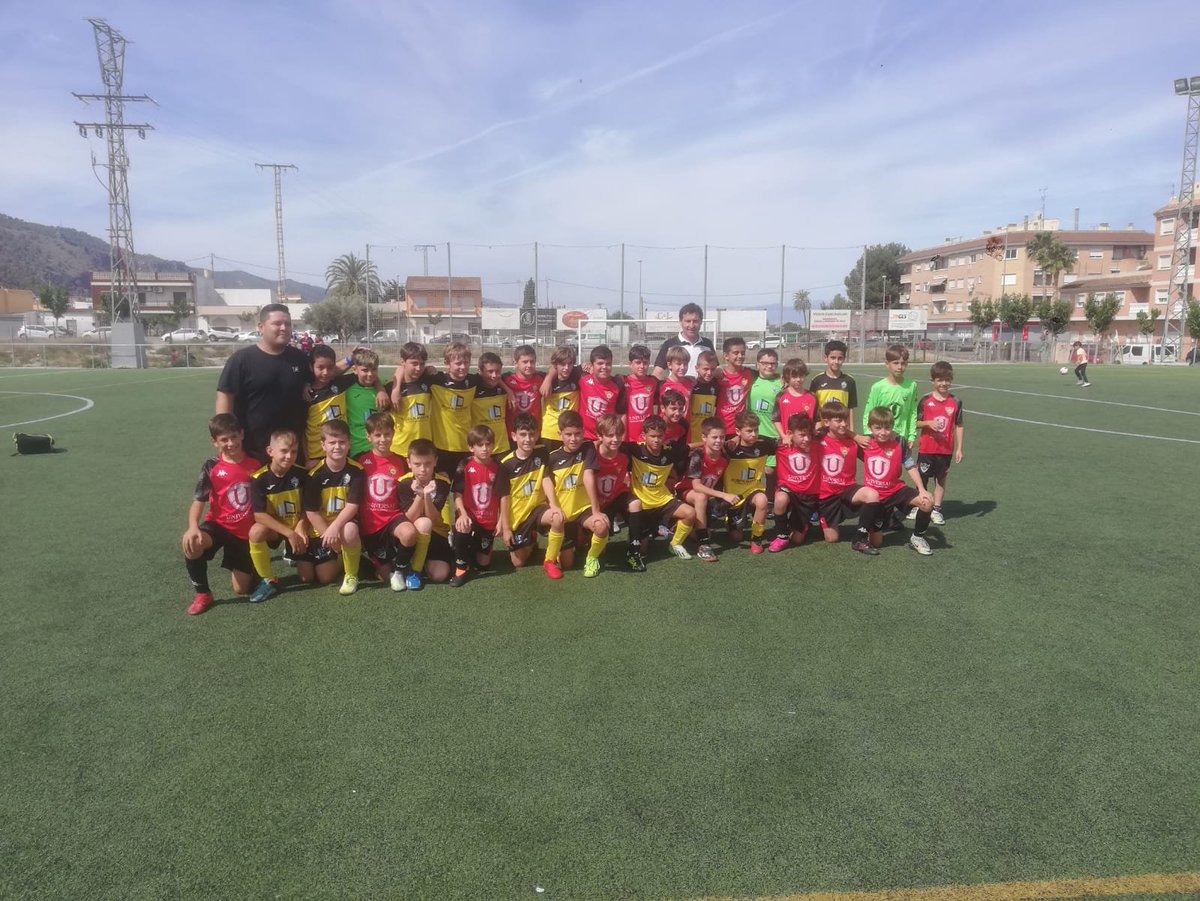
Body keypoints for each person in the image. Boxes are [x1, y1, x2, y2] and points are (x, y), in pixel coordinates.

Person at [181, 414, 261, 615]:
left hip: (245, 532)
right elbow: (198, 501)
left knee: (241, 589)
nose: (231, 443)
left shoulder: (257, 461)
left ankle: (254, 572)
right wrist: (192, 527)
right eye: (224, 439)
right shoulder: (211, 466)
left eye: (234, 437)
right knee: (191, 542)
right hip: (219, 526)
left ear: (242, 435)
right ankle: (203, 594)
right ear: (214, 442)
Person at [216, 303, 311, 462]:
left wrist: (350, 361)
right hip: (253, 453)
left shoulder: (299, 358)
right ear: (261, 327)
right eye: (277, 323)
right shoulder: (242, 359)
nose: (284, 328)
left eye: (288, 324)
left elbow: (322, 376)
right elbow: (225, 396)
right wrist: (225, 437)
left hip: (291, 453)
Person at [853, 407, 934, 556]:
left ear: (892, 427)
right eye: (877, 428)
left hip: (896, 491)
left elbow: (910, 466)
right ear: (870, 427)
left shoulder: (899, 443)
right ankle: (888, 518)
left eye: (887, 428)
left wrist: (921, 489)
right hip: (875, 498)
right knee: (877, 542)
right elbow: (840, 432)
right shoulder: (864, 443)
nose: (883, 432)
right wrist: (855, 436)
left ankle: (917, 538)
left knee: (927, 501)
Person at [357, 412, 422, 592]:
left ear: (393, 433)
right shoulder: (360, 461)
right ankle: (371, 559)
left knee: (409, 533)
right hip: (370, 524)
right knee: (385, 576)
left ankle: (400, 570)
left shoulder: (401, 462)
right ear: (368, 436)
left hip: (393, 518)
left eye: (387, 434)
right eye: (378, 435)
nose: (383, 439)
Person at [542, 411, 610, 578]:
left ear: (583, 432)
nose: (573, 439)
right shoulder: (552, 458)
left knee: (601, 526)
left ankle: (591, 558)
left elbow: (588, 476)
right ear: (560, 434)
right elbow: (546, 482)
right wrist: (554, 506)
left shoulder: (587, 449)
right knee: (568, 564)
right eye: (568, 434)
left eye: (577, 434)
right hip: (564, 514)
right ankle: (550, 559)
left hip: (583, 510)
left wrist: (596, 511)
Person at [247, 428, 311, 602]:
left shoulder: (302, 474)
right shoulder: (259, 478)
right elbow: (259, 515)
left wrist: (301, 526)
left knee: (307, 578)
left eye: (293, 452)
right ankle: (268, 580)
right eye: (284, 451)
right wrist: (289, 533)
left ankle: (292, 553)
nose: (289, 456)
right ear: (270, 451)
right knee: (256, 531)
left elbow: (309, 507)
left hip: (297, 526)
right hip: (276, 529)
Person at [623, 414, 696, 564]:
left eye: (660, 436)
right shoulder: (634, 449)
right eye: (652, 436)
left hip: (663, 501)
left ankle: (675, 544)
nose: (656, 440)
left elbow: (689, 447)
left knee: (690, 513)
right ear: (644, 435)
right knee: (642, 550)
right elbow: (612, 446)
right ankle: (647, 533)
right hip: (641, 504)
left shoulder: (671, 449)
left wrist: (709, 442)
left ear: (665, 435)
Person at [496, 413, 563, 576]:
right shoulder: (506, 465)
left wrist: (554, 506)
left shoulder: (541, 452)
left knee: (557, 517)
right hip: (518, 517)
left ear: (537, 434)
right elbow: (504, 498)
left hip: (538, 509)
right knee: (518, 562)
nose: (528, 439)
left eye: (532, 434)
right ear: (514, 436)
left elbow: (546, 479)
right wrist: (505, 528)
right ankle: (530, 541)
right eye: (523, 435)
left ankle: (550, 561)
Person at [302, 420, 363, 595]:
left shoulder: (357, 471)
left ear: (349, 443)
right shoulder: (314, 475)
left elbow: (352, 506)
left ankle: (352, 574)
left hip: (344, 523)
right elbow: (312, 512)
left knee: (350, 530)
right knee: (320, 577)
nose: (338, 447)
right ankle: (350, 555)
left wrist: (335, 528)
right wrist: (328, 534)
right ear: (323, 445)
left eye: (342, 442)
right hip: (323, 527)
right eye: (332, 442)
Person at [816, 400, 877, 545]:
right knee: (832, 539)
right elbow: (809, 429)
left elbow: (874, 457)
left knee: (871, 495)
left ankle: (861, 536)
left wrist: (855, 436)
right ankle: (819, 517)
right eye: (838, 420)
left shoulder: (855, 442)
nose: (844, 424)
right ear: (826, 422)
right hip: (826, 495)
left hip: (848, 490)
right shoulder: (817, 439)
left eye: (845, 419)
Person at [913, 361, 964, 526]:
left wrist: (959, 448)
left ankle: (936, 509)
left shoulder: (956, 402)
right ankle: (919, 505)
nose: (944, 383)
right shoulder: (925, 400)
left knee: (941, 480)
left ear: (951, 380)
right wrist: (927, 423)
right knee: (922, 479)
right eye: (940, 380)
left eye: (947, 379)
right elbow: (914, 422)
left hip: (945, 450)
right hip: (926, 449)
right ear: (932, 381)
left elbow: (959, 425)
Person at [396, 439, 454, 584]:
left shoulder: (442, 483)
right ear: (408, 463)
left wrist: (427, 496)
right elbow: (409, 518)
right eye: (417, 464)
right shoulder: (403, 483)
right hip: (414, 533)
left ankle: (421, 563)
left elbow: (434, 519)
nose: (423, 469)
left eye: (427, 464)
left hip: (436, 533)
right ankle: (414, 571)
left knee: (440, 575)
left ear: (435, 461)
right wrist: (419, 495)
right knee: (423, 523)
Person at [676, 417, 734, 562]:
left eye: (722, 437)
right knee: (700, 496)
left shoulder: (725, 457)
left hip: (705, 499)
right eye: (714, 437)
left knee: (704, 532)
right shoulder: (698, 455)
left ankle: (677, 525)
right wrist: (724, 495)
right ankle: (704, 546)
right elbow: (696, 486)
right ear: (704, 437)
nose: (719, 441)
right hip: (685, 492)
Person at [449, 425, 500, 588]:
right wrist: (462, 514)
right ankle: (461, 567)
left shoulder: (499, 467)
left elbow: (502, 496)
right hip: (469, 516)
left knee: (483, 564)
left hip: (488, 521)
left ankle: (464, 548)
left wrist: (500, 521)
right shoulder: (464, 465)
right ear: (471, 447)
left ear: (493, 445)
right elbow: (457, 493)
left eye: (488, 444)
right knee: (463, 526)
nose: (485, 449)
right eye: (480, 445)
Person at [592, 414, 643, 569]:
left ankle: (634, 553)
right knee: (600, 551)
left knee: (636, 504)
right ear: (599, 436)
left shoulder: (626, 452)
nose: (615, 439)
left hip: (617, 496)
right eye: (610, 435)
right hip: (596, 501)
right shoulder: (591, 452)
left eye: (619, 434)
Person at [723, 410, 775, 553]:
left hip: (753, 490)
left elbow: (783, 445)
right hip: (734, 497)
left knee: (762, 500)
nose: (754, 434)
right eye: (749, 431)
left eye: (756, 430)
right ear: (738, 431)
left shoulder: (764, 444)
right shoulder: (729, 446)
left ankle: (756, 538)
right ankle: (731, 520)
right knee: (737, 538)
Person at [768, 413, 821, 553]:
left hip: (807, 496)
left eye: (809, 435)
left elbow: (831, 430)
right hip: (788, 489)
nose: (806, 439)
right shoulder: (781, 446)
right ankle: (782, 536)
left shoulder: (817, 445)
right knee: (780, 499)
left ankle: (802, 525)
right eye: (802, 435)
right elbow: (757, 441)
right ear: (790, 433)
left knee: (797, 540)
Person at [429, 342, 480, 475]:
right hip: (442, 447)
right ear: (447, 363)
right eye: (458, 363)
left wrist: (508, 391)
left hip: (466, 446)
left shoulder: (474, 381)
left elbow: (496, 378)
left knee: (463, 490)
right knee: (441, 490)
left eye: (466, 363)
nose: (463, 367)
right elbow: (404, 369)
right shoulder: (436, 380)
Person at [861, 344, 919, 443]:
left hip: (902, 437)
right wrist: (869, 434)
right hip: (881, 437)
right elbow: (868, 413)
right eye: (896, 363)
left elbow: (912, 412)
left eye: (903, 363)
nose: (900, 367)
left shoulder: (911, 386)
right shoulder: (878, 387)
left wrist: (911, 436)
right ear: (887, 364)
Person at [388, 342, 433, 458]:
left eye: (422, 364)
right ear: (402, 362)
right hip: (399, 450)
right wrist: (396, 387)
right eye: (414, 363)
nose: (419, 368)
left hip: (424, 449)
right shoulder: (390, 388)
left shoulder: (428, 382)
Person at [748, 347, 782, 497]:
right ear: (757, 364)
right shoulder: (750, 380)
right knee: (752, 467)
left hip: (774, 434)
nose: (769, 366)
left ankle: (769, 499)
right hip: (754, 434)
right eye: (765, 363)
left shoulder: (781, 382)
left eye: (772, 363)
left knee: (770, 470)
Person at [653, 302, 715, 379]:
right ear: (680, 322)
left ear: (701, 322)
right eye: (688, 321)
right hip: (677, 390)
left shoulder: (707, 344)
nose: (691, 325)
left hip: (702, 391)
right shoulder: (669, 345)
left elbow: (715, 369)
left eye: (695, 321)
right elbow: (657, 373)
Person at [540, 347, 582, 453]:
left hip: (570, 433)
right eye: (563, 364)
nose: (566, 368)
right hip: (550, 432)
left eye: (570, 364)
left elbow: (588, 367)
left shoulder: (577, 376)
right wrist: (548, 379)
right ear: (555, 365)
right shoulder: (546, 380)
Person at [579, 345, 623, 442]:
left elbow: (619, 414)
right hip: (585, 437)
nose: (604, 367)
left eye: (608, 364)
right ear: (592, 365)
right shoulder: (583, 379)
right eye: (600, 363)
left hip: (606, 438)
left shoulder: (617, 385)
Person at [473, 352, 511, 457]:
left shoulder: (504, 385)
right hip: (481, 448)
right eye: (490, 371)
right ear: (479, 371)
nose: (494, 375)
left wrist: (509, 391)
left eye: (497, 371)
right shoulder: (472, 388)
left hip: (503, 448)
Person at [809, 340, 858, 421]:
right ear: (825, 358)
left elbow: (850, 409)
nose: (836, 361)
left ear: (844, 359)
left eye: (840, 358)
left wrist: (851, 430)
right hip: (822, 428)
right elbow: (813, 407)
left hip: (841, 427)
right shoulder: (816, 380)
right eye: (833, 358)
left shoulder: (849, 381)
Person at [502, 344, 544, 436]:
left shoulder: (541, 378)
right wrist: (508, 390)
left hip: (534, 432)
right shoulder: (507, 380)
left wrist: (548, 379)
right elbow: (494, 379)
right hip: (513, 433)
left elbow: (555, 369)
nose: (529, 365)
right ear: (515, 363)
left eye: (532, 361)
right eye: (525, 362)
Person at [715, 336, 753, 437]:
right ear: (726, 356)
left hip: (740, 430)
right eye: (736, 353)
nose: (740, 356)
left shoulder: (749, 374)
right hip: (720, 429)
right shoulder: (718, 376)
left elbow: (766, 374)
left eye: (743, 353)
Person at [621, 344, 659, 443]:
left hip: (647, 438)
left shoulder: (654, 383)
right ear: (630, 364)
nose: (642, 366)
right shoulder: (622, 382)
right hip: (628, 438)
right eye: (638, 362)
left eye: (645, 363)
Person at [774, 359, 817, 444]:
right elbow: (776, 419)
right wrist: (784, 436)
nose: (798, 379)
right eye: (794, 376)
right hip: (788, 442)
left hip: (807, 442)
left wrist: (815, 434)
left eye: (801, 376)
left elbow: (817, 420)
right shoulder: (781, 396)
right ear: (787, 377)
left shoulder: (812, 397)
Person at [688, 350, 720, 445]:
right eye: (705, 369)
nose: (709, 372)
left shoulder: (717, 386)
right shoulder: (691, 385)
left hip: (708, 437)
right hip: (690, 435)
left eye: (713, 369)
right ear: (697, 368)